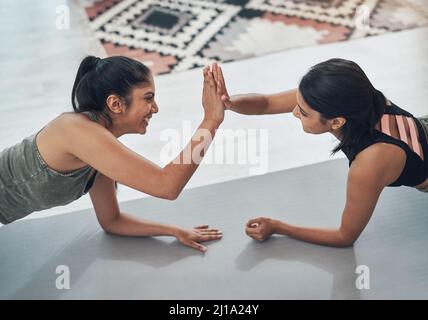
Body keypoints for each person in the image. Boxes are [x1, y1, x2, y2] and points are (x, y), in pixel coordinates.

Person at [0, 56, 224, 252]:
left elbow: (112, 221)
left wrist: (175, 231)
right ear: (115, 103)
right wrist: (210, 121)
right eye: (148, 98)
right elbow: (167, 185)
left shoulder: (97, 151)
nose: (155, 108)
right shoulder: (75, 130)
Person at [212, 58, 428, 247]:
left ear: (336, 121)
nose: (295, 112)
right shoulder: (355, 97)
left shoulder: (371, 161)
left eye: (303, 113)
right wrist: (229, 103)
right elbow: (266, 103)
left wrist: (278, 227)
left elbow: (345, 236)